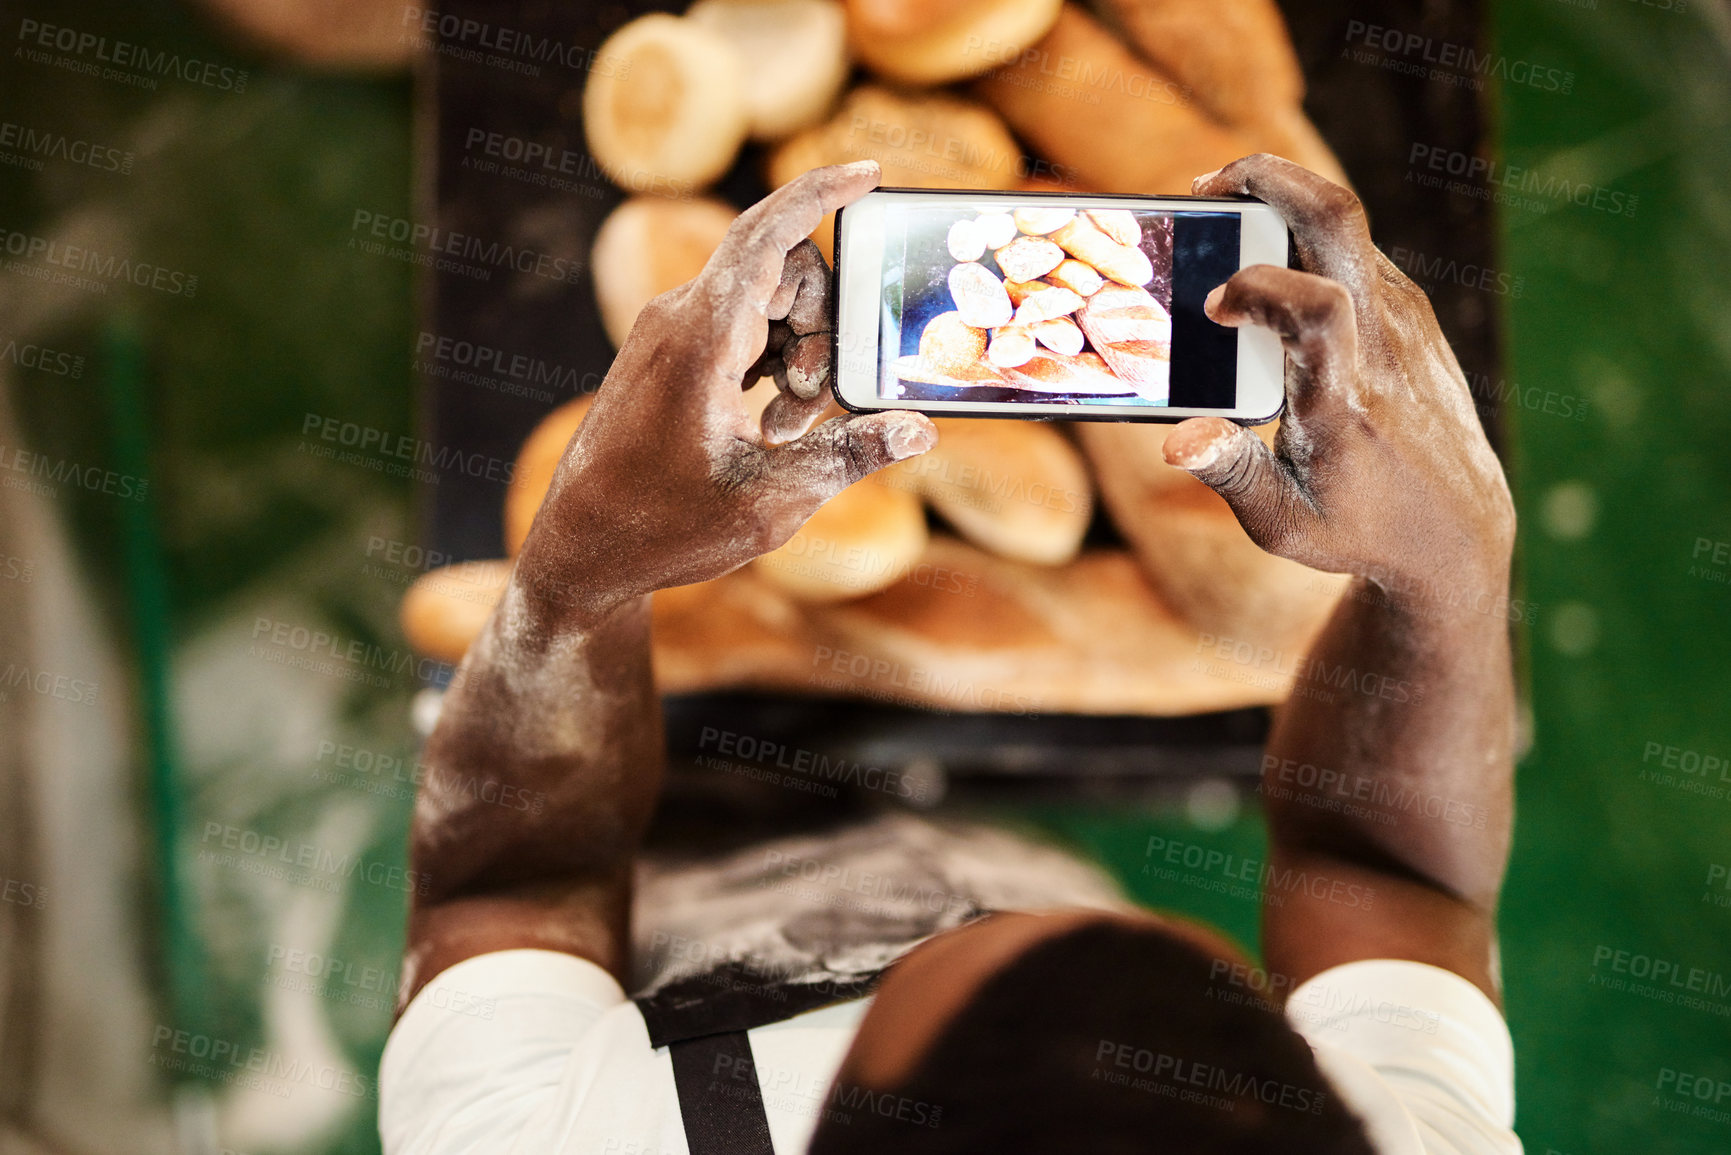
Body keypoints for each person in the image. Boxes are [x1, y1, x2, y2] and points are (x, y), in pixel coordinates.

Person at [378, 155, 1522, 1155]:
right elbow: (1392, 886)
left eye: (934, 969)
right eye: (1170, 954)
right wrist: (1455, 572)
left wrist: (579, 571)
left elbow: (515, 885)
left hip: (665, 878)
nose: (982, 922)